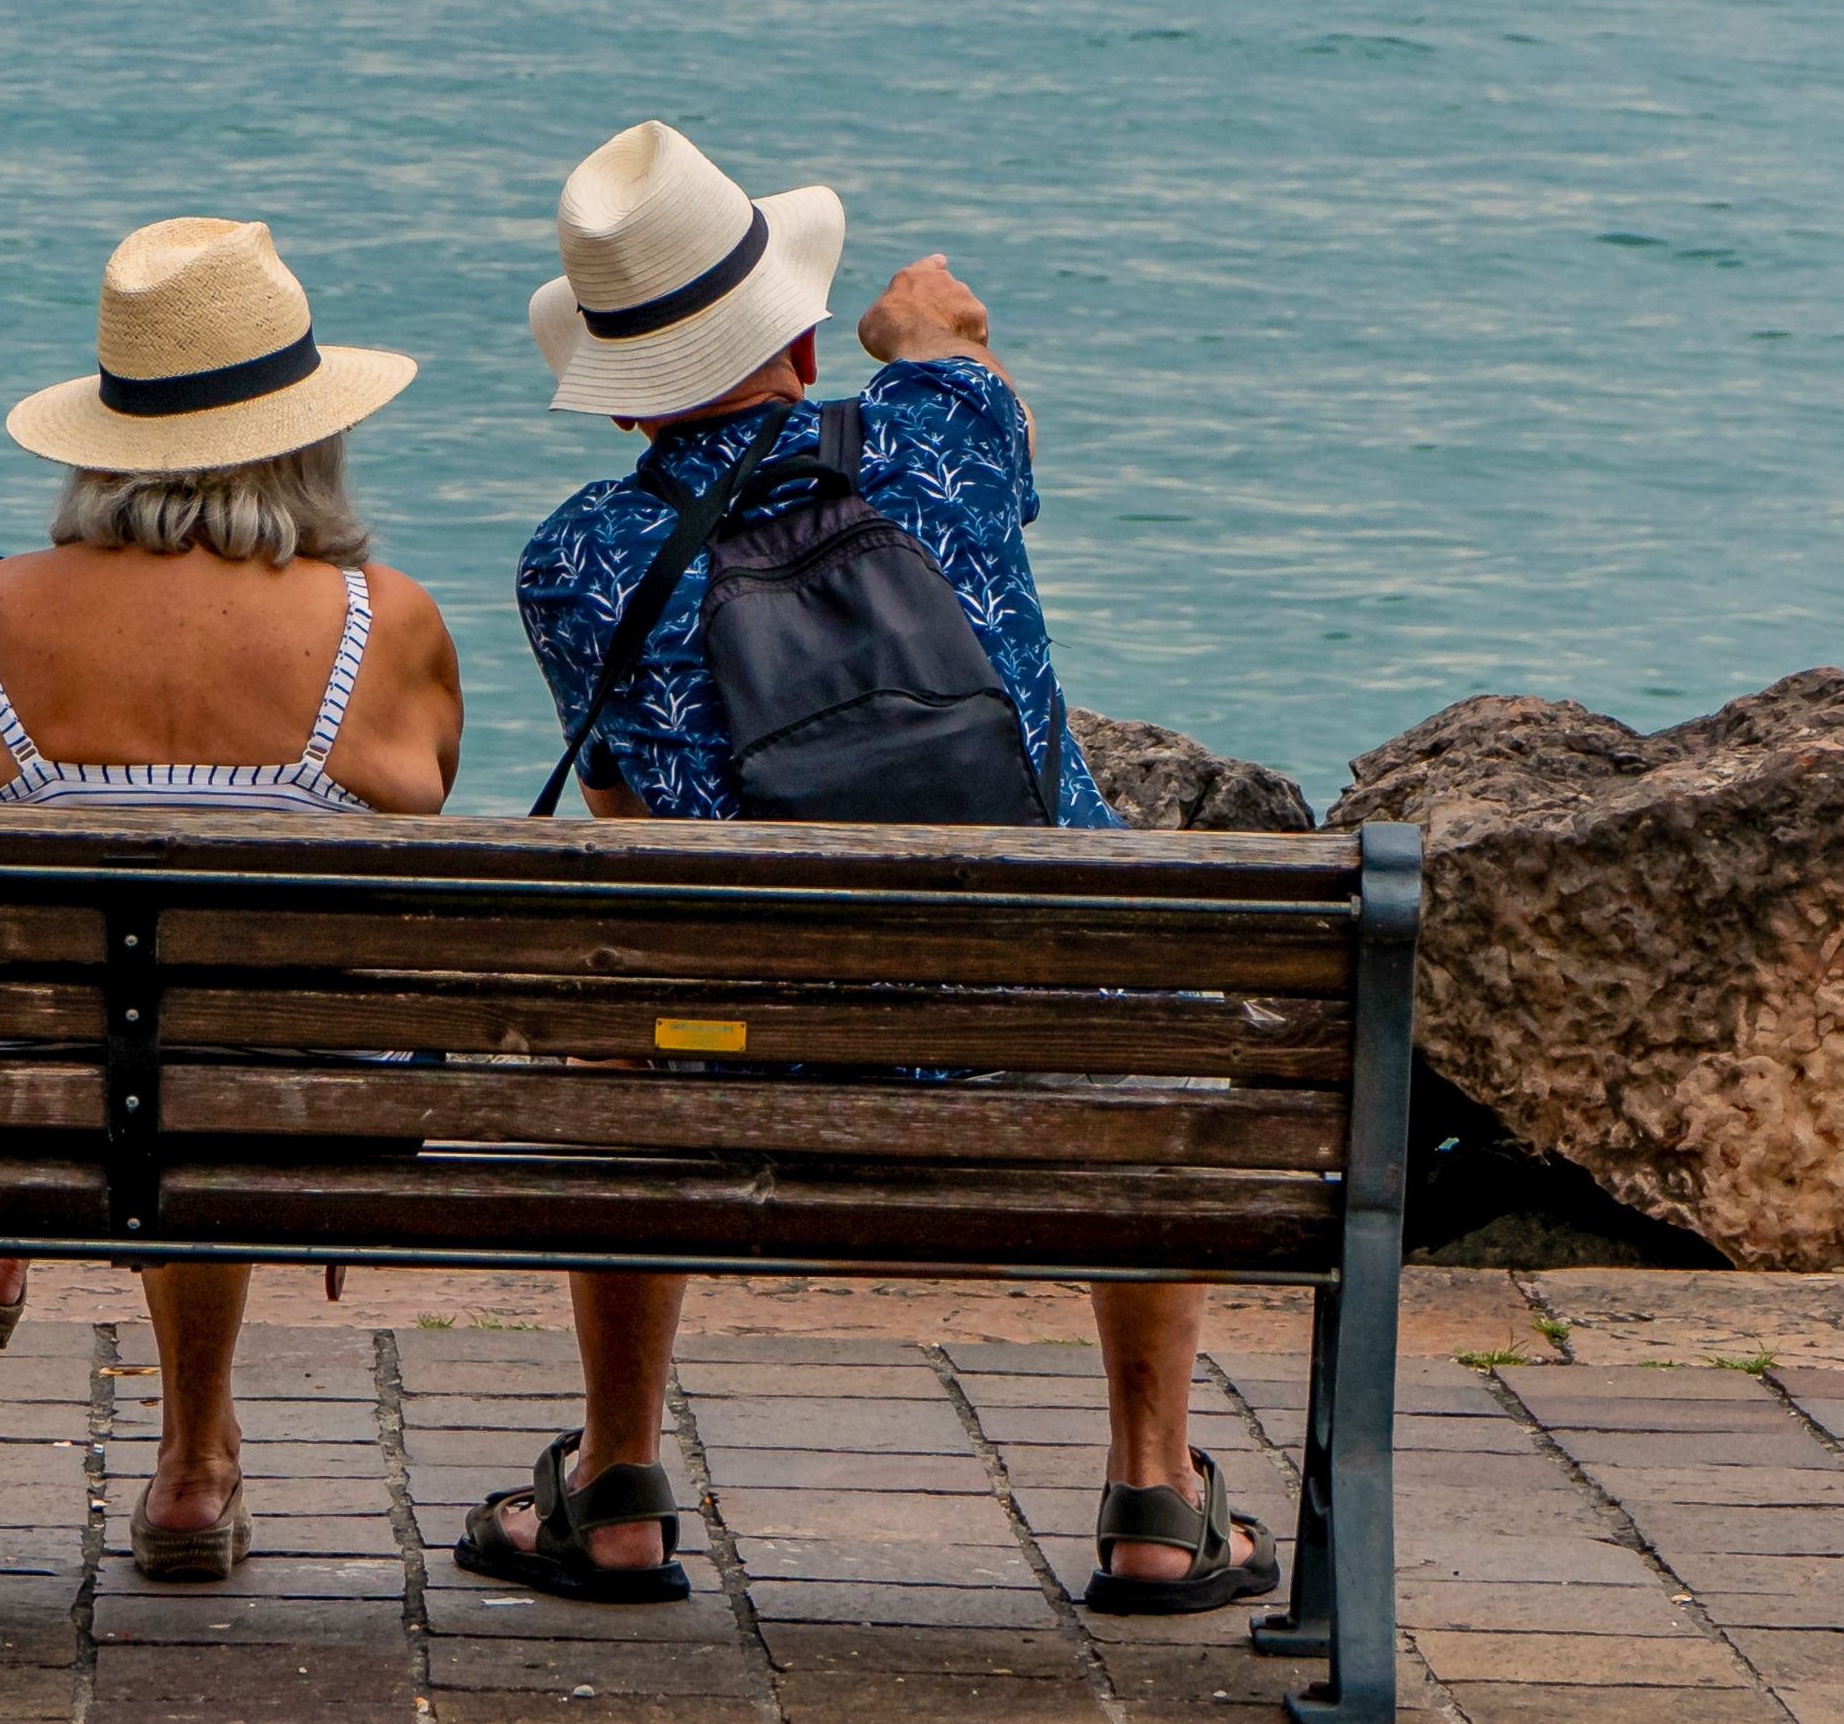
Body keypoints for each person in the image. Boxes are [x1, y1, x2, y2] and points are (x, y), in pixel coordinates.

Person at [453, 120, 1277, 1619]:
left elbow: (634, 818)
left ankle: (620, 1485)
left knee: (630, 1013)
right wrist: (932, 330)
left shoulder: (573, 559)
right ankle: (1155, 1497)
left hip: (744, 1060)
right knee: (1134, 979)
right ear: (803, 327)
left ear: (615, 381)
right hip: (1058, 1032)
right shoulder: (943, 437)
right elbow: (962, 356)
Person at [0, 214, 466, 1585]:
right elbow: (421, 818)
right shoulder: (389, 615)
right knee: (210, 1026)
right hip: (313, 1101)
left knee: (120, 1005)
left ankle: (2, 1244)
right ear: (307, 433)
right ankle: (194, 1463)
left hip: (36, 1088)